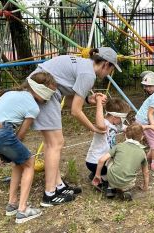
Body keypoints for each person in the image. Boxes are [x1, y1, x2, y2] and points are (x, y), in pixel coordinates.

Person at [27, 47, 121, 206]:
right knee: (55, 143)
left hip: (42, 89)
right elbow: (75, 111)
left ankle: (59, 186)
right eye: (111, 69)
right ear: (105, 64)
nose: (109, 74)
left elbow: (71, 101)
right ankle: (49, 194)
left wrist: (87, 99)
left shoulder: (84, 66)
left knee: (54, 143)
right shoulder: (88, 74)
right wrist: (94, 128)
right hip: (41, 91)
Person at [0, 72, 56, 223]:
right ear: (41, 90)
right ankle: (22, 210)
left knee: (18, 162)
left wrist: (6, 152)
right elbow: (20, 135)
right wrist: (6, 146)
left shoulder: (11, 93)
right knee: (29, 163)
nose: (49, 98)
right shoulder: (33, 107)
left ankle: (12, 204)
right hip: (0, 133)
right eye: (49, 92)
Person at [92, 123, 149, 201]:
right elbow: (145, 172)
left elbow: (101, 160)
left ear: (125, 135)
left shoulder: (119, 146)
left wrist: (97, 175)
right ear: (142, 137)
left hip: (112, 179)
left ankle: (110, 188)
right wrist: (145, 186)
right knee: (131, 166)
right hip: (128, 183)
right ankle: (125, 191)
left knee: (111, 158)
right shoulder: (142, 152)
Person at [85, 96, 131, 183]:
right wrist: (99, 102)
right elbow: (100, 124)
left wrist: (149, 126)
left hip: (100, 162)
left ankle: (99, 174)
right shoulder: (105, 124)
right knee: (121, 168)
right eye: (122, 119)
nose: (122, 121)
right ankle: (101, 179)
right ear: (115, 117)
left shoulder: (115, 125)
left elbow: (131, 129)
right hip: (95, 162)